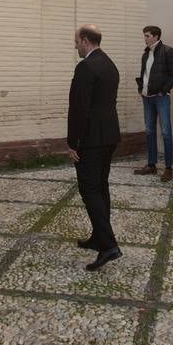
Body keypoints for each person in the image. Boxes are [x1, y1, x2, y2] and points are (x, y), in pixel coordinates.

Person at [68, 24, 122, 271]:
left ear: (87, 41)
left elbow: (80, 109)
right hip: (109, 136)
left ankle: (108, 245)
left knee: (89, 189)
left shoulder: (86, 67)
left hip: (90, 139)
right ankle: (99, 236)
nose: (75, 46)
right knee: (100, 187)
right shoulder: (109, 64)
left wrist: (73, 142)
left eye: (77, 41)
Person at [133, 25, 173, 182]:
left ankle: (168, 168)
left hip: (161, 97)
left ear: (156, 36)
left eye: (147, 36)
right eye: (144, 35)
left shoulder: (168, 51)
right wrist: (141, 89)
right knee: (149, 131)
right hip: (147, 98)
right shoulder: (145, 54)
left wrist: (163, 90)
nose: (144, 38)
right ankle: (151, 165)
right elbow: (144, 75)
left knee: (166, 132)